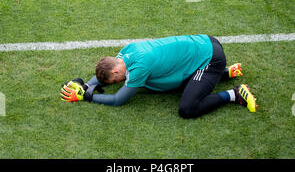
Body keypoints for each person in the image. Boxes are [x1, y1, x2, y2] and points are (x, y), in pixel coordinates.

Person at [60, 34, 257, 117]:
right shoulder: (124, 53)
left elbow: (119, 99)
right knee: (174, 80)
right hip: (204, 42)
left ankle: (234, 94)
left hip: (209, 58)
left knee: (187, 109)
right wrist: (86, 84)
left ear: (116, 71)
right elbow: (105, 76)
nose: (119, 83)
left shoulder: (139, 68)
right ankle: (223, 74)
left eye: (116, 80)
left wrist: (89, 97)